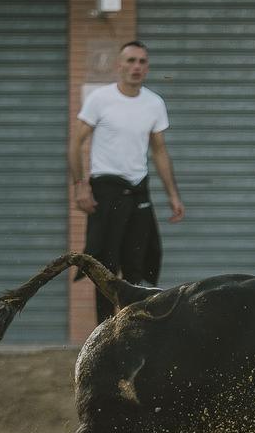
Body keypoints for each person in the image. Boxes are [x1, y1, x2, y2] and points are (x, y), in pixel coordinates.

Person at [69, 41, 185, 323]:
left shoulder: (154, 103)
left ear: (147, 67)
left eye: (142, 62)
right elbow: (76, 144)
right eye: (131, 61)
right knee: (105, 266)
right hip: (106, 190)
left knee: (140, 263)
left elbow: (158, 150)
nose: (136, 67)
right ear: (119, 65)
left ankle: (132, 329)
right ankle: (103, 331)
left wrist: (173, 195)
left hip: (138, 190)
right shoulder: (101, 99)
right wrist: (80, 186)